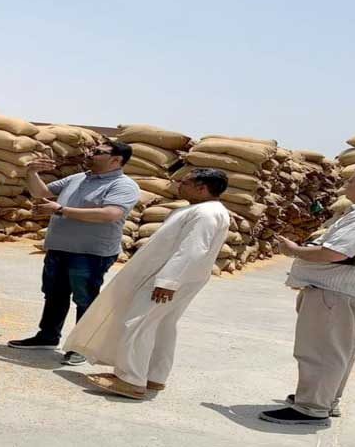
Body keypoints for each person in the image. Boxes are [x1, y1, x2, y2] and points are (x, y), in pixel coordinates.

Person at [260, 165, 355, 426]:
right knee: (340, 351)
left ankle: (311, 408)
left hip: (337, 294)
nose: (345, 187)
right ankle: (326, 400)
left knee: (321, 351)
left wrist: (295, 250)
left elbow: (334, 253)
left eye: (351, 181)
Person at [63, 168, 231, 399]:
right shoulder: (204, 210)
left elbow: (193, 250)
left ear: (201, 188)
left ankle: (130, 380)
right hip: (174, 278)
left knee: (137, 323)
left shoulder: (206, 213)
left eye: (184, 182)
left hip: (167, 280)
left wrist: (168, 281)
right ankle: (154, 376)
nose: (179, 186)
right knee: (161, 326)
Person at [8, 140, 140, 366]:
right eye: (92, 150)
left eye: (98, 152)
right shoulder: (79, 178)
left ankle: (83, 347)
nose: (90, 154)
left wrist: (61, 210)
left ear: (116, 160)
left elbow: (110, 214)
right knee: (54, 294)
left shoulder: (123, 185)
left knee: (85, 299)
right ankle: (47, 336)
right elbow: (41, 192)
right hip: (59, 248)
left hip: (90, 253)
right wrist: (31, 172)